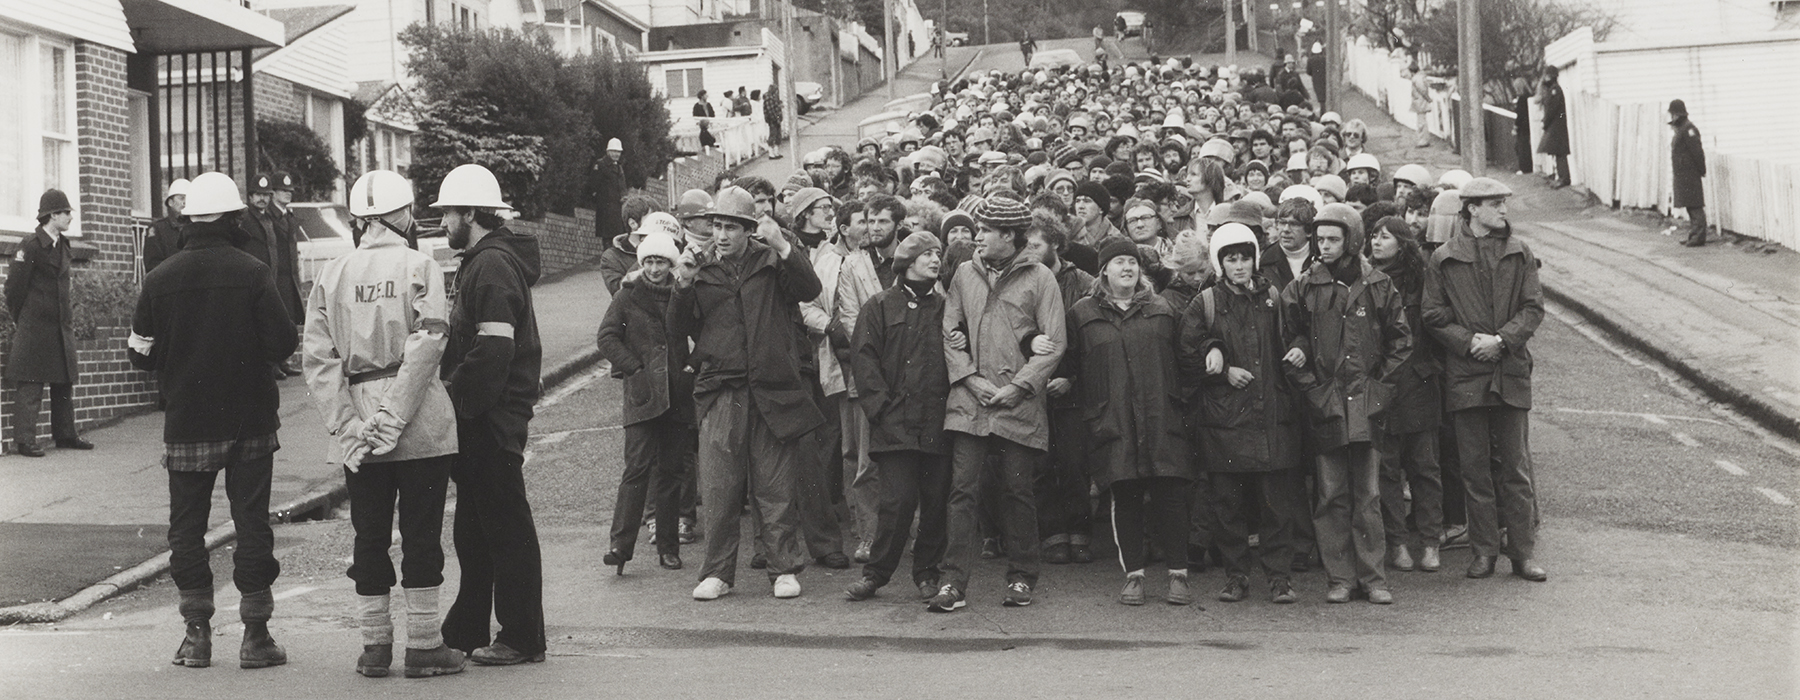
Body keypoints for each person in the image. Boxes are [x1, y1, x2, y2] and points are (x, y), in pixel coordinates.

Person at [127, 171, 297, 670]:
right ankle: (256, 635)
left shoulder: (160, 279)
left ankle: (196, 635)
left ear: (188, 220)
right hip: (250, 418)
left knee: (187, 529)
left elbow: (140, 352)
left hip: (188, 420)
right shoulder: (253, 271)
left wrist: (175, 359)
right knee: (251, 523)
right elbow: (283, 343)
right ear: (233, 218)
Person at [302, 170, 464, 679]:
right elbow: (430, 342)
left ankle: (374, 648)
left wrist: (350, 426)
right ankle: (424, 645)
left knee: (368, 535)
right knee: (422, 533)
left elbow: (318, 359)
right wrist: (393, 417)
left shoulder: (332, 272)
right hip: (419, 421)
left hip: (357, 418)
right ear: (403, 214)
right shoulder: (422, 264)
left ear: (358, 219)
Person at [670, 186, 825, 601]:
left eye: (730, 227)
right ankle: (717, 573)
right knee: (720, 489)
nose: (720, 234)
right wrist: (682, 285)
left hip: (773, 388)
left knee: (775, 487)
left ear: (749, 230)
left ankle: (783, 569)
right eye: (716, 225)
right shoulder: (699, 268)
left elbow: (810, 290)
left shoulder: (772, 260)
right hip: (721, 390)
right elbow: (676, 331)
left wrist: (784, 246)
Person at [432, 164, 548, 666]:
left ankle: (522, 637)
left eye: (449, 213)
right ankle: (466, 627)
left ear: (472, 213)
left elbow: (494, 350)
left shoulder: (492, 266)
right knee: (474, 530)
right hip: (483, 417)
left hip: (489, 421)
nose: (443, 224)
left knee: (505, 530)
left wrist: (449, 399)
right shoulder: (481, 261)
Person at [933, 194, 1065, 612]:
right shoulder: (963, 275)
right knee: (962, 492)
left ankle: (1023, 577)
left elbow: (1054, 342)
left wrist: (1022, 387)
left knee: (1017, 491)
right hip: (969, 403)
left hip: (1017, 404)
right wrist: (969, 378)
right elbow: (949, 328)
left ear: (1009, 236)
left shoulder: (1041, 278)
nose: (977, 239)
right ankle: (952, 582)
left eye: (986, 231)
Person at [1282, 202, 1412, 605]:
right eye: (1320, 239)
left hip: (1367, 406)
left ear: (1352, 240)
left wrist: (1379, 389)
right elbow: (1289, 341)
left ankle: (1373, 578)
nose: (1325, 246)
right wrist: (1312, 388)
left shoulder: (1378, 285)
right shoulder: (1303, 287)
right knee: (1331, 495)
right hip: (1328, 406)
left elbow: (1401, 340)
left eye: (1333, 239)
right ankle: (1340, 577)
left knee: (1369, 495)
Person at [1421, 177, 1547, 583]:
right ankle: (1483, 552)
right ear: (1472, 208)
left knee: (1515, 469)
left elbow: (1532, 308)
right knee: (1474, 470)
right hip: (1468, 372)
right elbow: (1433, 315)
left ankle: (1522, 553)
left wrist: (1500, 341)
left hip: (1509, 369)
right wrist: (1469, 341)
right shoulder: (1444, 259)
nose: (1504, 211)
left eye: (1504, 204)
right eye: (1496, 204)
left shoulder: (1519, 252)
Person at [1065, 238, 1193, 606]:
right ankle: (1134, 575)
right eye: (1119, 262)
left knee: (1170, 496)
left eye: (1132, 263)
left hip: (1161, 416)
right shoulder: (1082, 313)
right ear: (1103, 270)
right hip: (1113, 420)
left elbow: (1187, 357)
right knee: (1126, 496)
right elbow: (1070, 364)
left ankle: (1178, 575)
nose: (1127, 268)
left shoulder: (1163, 308)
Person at [1187, 223, 1308, 605]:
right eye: (1230, 258)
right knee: (1229, 506)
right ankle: (1236, 576)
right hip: (1226, 421)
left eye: (1244, 258)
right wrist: (1222, 369)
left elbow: (1298, 332)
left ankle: (1279, 578)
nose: (1239, 266)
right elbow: (1185, 353)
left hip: (1271, 417)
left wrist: (1300, 348)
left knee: (1276, 506)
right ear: (1219, 262)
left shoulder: (1274, 294)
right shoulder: (1205, 302)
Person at [843, 231, 953, 601]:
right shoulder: (878, 306)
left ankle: (927, 573)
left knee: (936, 501)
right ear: (907, 264)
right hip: (895, 424)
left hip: (939, 421)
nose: (936, 260)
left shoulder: (946, 306)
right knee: (898, 501)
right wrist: (881, 410)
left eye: (938, 254)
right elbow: (864, 359)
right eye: (927, 255)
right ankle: (876, 574)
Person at [595, 231, 691, 574]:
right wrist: (634, 368)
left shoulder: (682, 294)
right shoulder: (627, 297)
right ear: (641, 263)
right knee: (636, 469)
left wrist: (689, 366)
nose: (654, 268)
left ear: (671, 264)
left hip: (677, 395)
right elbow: (606, 337)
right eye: (648, 261)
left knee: (670, 472)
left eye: (661, 262)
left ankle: (668, 548)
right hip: (642, 395)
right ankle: (620, 546)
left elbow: (697, 331)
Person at [1366, 216, 1444, 575]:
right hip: (1384, 384)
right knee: (1387, 470)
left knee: (1425, 467)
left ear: (1402, 241)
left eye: (1384, 237)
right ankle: (1397, 543)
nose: (1376, 242)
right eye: (1373, 237)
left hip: (1419, 382)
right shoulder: (1366, 279)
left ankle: (1430, 542)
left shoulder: (1422, 278)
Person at [1023, 215, 1096, 565]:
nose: (1029, 251)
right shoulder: (1022, 277)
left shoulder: (1082, 282)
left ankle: (1080, 530)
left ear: (1054, 243)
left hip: (1072, 384)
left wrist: (1072, 378)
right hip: (1033, 383)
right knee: (1041, 462)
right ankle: (1052, 531)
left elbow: (1092, 337)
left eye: (1035, 244)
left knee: (1074, 461)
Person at [7, 189, 94, 457]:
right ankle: (25, 440)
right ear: (52, 215)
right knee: (31, 382)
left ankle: (66, 434)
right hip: (35, 325)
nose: (70, 217)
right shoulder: (30, 245)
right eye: (66, 212)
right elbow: (14, 289)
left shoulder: (63, 244)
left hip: (59, 325)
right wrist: (24, 318)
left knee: (64, 380)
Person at [236, 171, 306, 377]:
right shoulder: (245, 219)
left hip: (273, 276)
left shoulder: (269, 218)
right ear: (249, 197)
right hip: (255, 277)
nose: (262, 198)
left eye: (265, 195)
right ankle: (271, 363)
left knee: (279, 319)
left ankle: (279, 361)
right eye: (258, 194)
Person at [1669, 99, 1709, 247]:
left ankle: (1699, 236)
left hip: (1690, 174)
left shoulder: (1689, 129)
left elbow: (1697, 151)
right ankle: (1694, 235)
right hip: (1684, 175)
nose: (1672, 117)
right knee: (1690, 205)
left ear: (1678, 114)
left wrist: (1701, 169)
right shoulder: (1682, 129)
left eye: (1673, 114)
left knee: (1695, 204)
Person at [142, 178, 190, 274]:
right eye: (181, 198)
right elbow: (152, 265)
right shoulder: (158, 228)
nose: (185, 202)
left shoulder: (196, 227)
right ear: (170, 202)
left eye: (188, 198)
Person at [1537, 67, 1570, 188]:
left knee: (1560, 152)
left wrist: (1545, 122)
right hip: (1556, 125)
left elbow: (1551, 109)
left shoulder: (1555, 90)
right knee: (1557, 152)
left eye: (1546, 76)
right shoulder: (1552, 89)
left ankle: (1564, 178)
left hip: (1557, 126)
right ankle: (1561, 176)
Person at [595, 138, 627, 242]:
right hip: (606, 210)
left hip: (618, 210)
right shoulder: (601, 165)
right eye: (614, 151)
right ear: (608, 151)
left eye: (618, 152)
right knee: (608, 240)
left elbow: (622, 187)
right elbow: (594, 185)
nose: (616, 154)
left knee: (618, 238)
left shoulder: (619, 167)